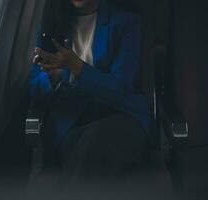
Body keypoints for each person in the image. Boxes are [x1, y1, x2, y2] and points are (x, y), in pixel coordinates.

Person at [29, 0, 151, 194]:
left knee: (94, 143)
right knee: (85, 146)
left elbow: (119, 89)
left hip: (122, 116)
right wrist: (54, 77)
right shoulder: (52, 24)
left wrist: (76, 66)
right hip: (72, 122)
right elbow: (34, 86)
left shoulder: (126, 23)